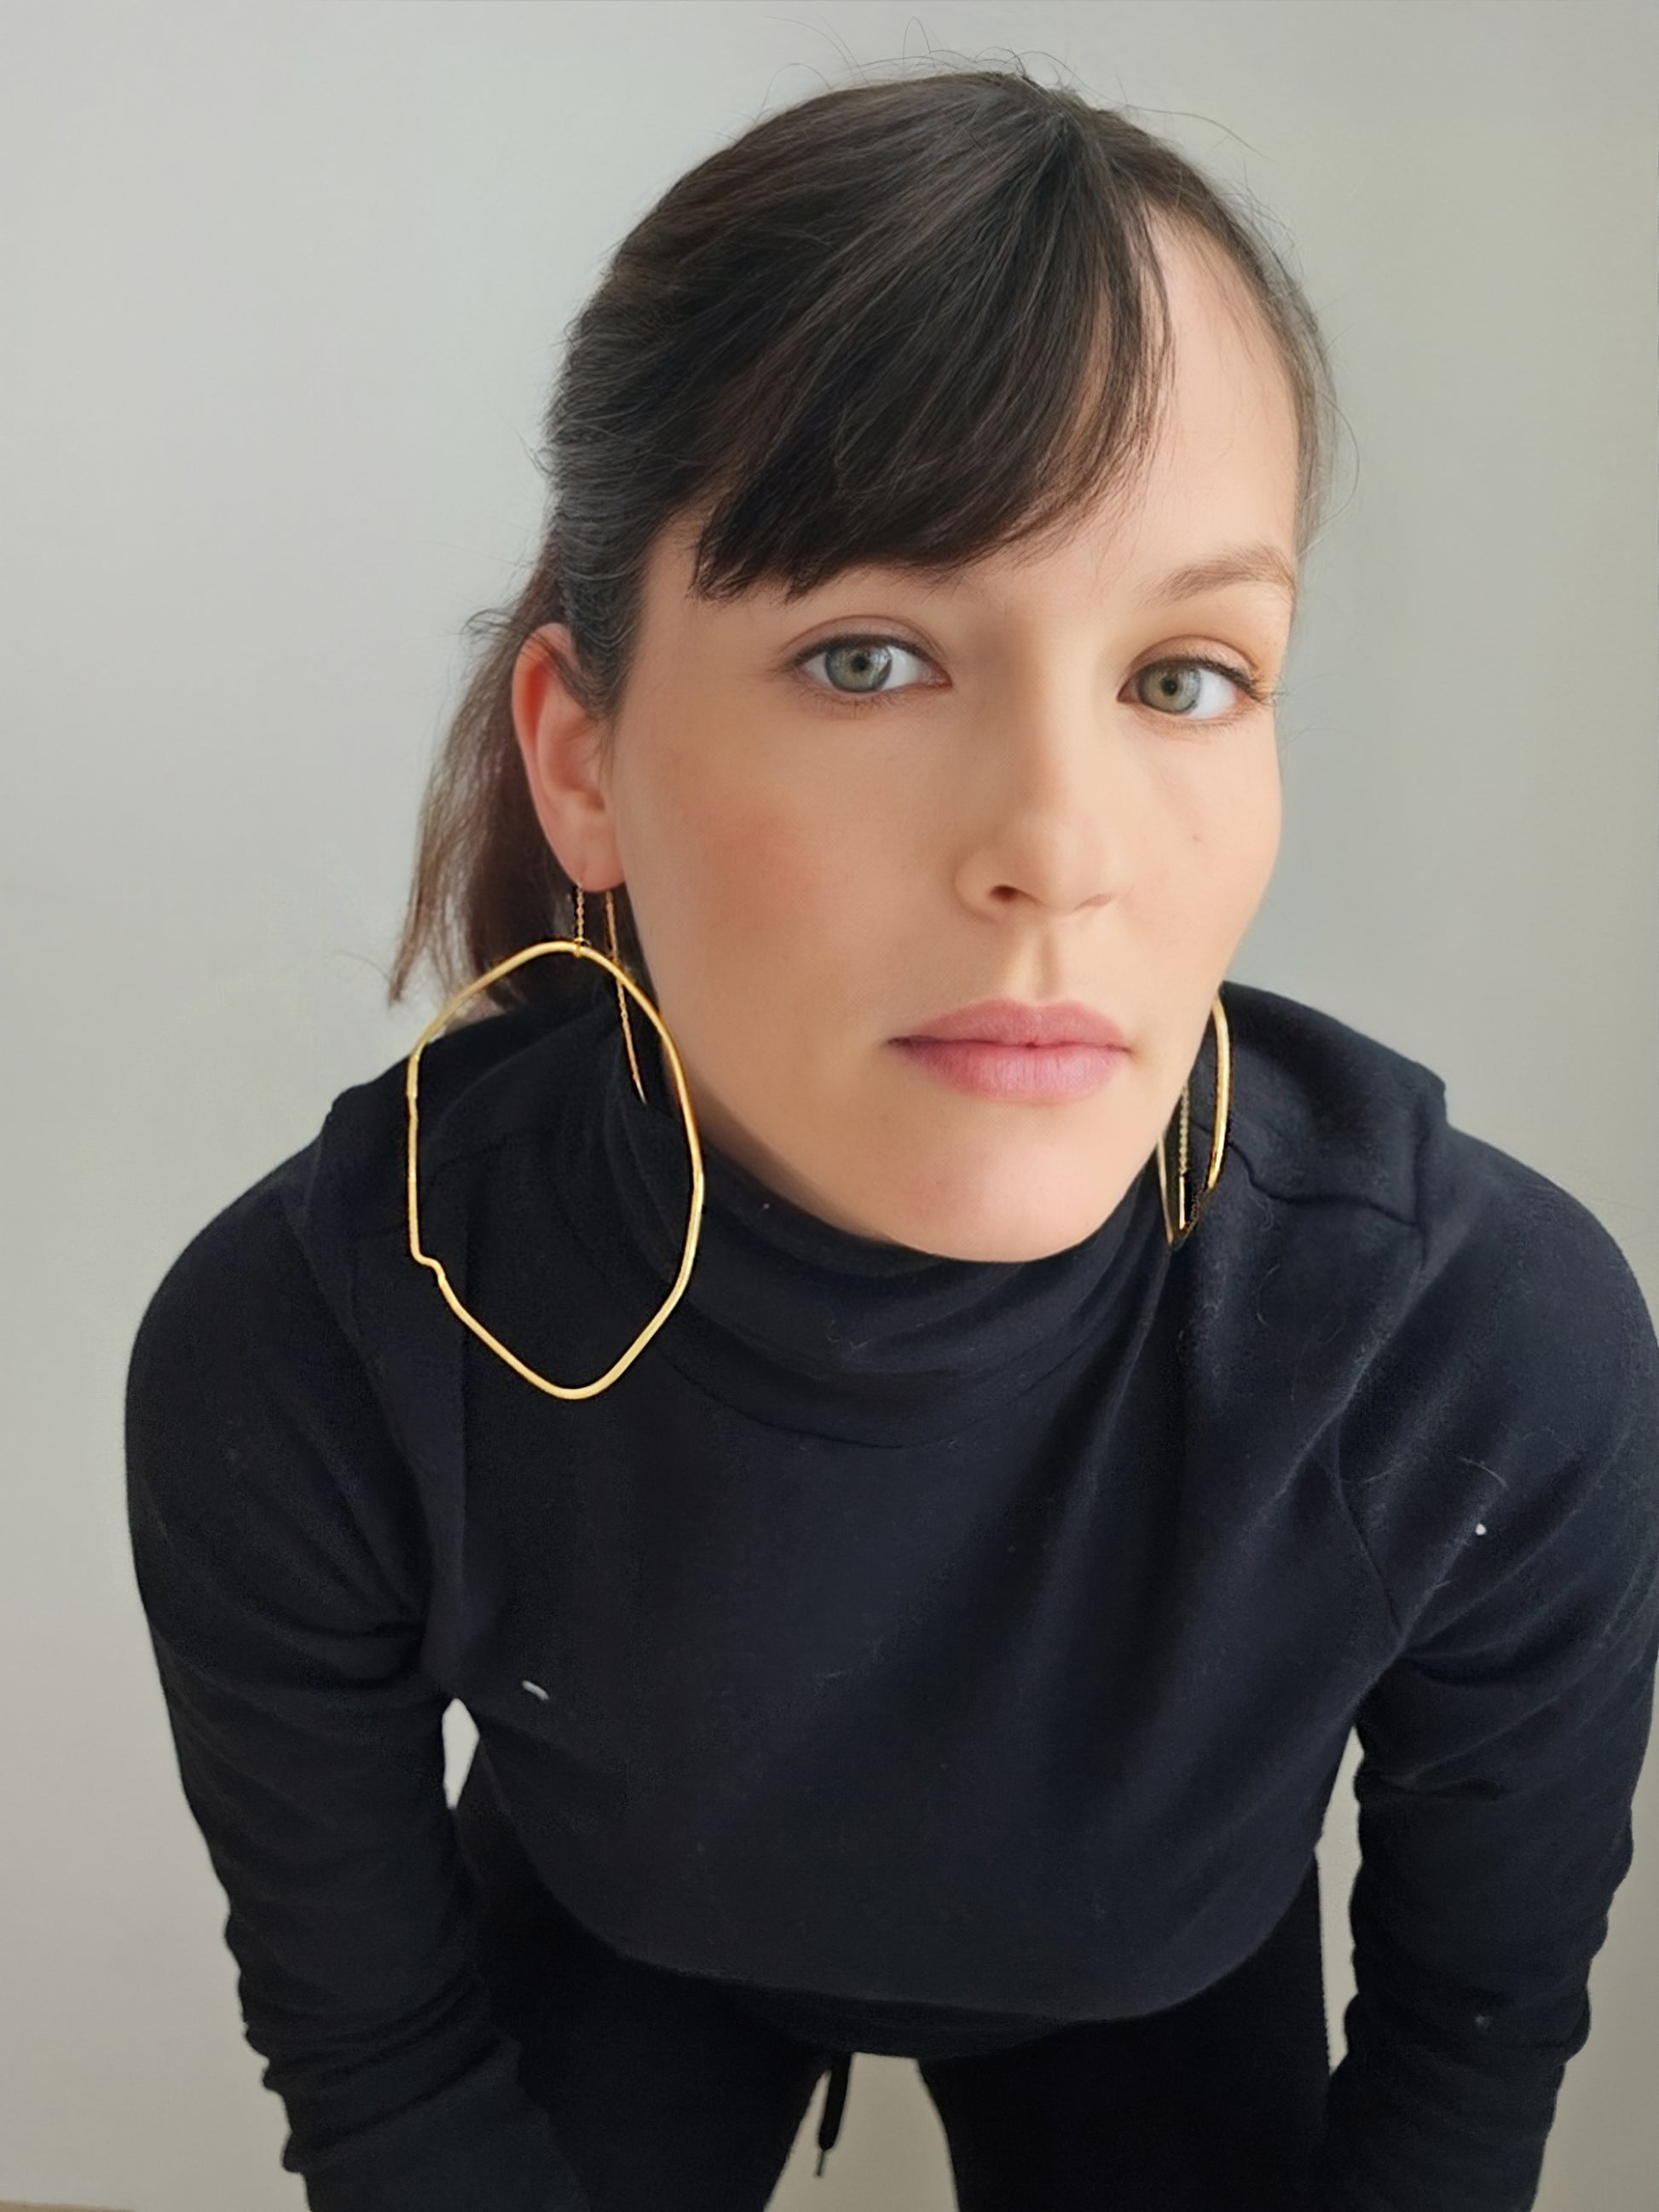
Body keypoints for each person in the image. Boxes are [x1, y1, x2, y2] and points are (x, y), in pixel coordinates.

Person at [124, 58, 1659, 2212]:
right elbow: (379, 2074)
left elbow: (1472, 2058)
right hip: (613, 1937)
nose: (1057, 847)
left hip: (1162, 1970)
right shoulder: (316, 1348)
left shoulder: (1477, 1357)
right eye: (867, 655)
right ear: (584, 756)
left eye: (1185, 674)